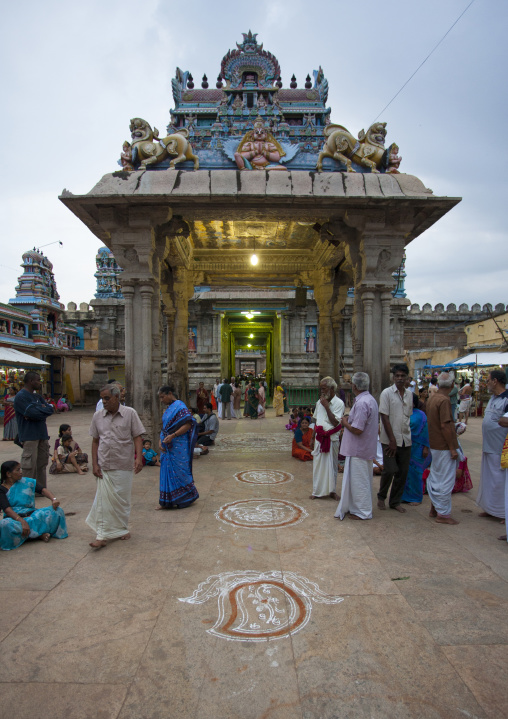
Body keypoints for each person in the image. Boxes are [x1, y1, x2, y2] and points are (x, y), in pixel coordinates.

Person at [87, 384, 145, 549]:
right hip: (104, 463)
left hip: (123, 463)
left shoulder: (130, 414)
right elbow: (95, 441)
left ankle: (121, 528)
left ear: (117, 398)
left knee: (122, 500)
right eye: (102, 398)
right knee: (103, 502)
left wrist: (138, 458)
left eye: (107, 398)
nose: (104, 402)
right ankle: (102, 535)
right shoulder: (97, 416)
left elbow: (137, 437)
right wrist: (94, 463)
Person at [335, 372, 378, 520]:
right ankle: (357, 508)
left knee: (360, 482)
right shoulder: (369, 399)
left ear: (354, 386)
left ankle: (363, 511)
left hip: (359, 449)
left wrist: (345, 422)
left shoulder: (362, 403)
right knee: (360, 480)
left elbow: (358, 429)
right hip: (362, 448)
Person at [0, 460, 68, 550]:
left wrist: (53, 499)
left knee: (57, 511)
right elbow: (7, 510)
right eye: (17, 470)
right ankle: (38, 535)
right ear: (8, 474)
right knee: (4, 525)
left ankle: (29, 536)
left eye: (20, 469)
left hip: (32, 515)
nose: (21, 472)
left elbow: (43, 490)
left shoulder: (26, 482)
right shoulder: (1, 489)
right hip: (15, 519)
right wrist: (22, 522)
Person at [377, 363, 413, 513]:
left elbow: (408, 415)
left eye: (402, 376)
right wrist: (392, 440)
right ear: (393, 377)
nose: (399, 378)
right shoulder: (386, 393)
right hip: (389, 440)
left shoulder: (409, 394)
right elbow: (384, 417)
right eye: (397, 376)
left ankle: (395, 501)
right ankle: (381, 496)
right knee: (390, 470)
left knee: (403, 472)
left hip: (406, 438)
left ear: (407, 378)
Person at [158, 384, 199, 509]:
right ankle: (167, 501)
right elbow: (165, 427)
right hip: (167, 445)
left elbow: (188, 425)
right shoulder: (168, 408)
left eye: (162, 397)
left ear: (170, 393)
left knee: (181, 471)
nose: (161, 400)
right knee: (166, 471)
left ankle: (187, 497)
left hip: (178, 445)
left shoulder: (180, 407)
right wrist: (160, 440)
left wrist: (173, 435)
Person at [477, 369, 508, 522]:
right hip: (489, 446)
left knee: (501, 481)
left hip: (501, 448)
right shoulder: (492, 398)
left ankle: (503, 513)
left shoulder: (507, 399)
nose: (487, 383)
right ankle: (490, 508)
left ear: (495, 381)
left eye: (488, 380)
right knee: (489, 479)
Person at [13, 371, 54, 490]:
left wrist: (38, 411)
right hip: (29, 436)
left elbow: (49, 410)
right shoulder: (21, 397)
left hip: (42, 434)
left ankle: (40, 489)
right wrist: (39, 410)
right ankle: (26, 490)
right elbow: (31, 413)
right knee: (29, 465)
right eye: (37, 380)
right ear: (31, 381)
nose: (39, 382)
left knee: (41, 464)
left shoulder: (37, 397)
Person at [310, 377, 345, 500]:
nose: (322, 391)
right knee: (318, 466)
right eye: (321, 389)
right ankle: (316, 491)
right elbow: (316, 421)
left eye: (324, 388)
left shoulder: (339, 403)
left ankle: (332, 491)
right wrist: (312, 437)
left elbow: (336, 423)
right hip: (319, 439)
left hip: (332, 438)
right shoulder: (319, 402)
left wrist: (326, 407)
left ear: (331, 388)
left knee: (332, 465)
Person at [401, 394, 431, 505]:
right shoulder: (403, 413)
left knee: (416, 473)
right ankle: (404, 496)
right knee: (405, 473)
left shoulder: (421, 415)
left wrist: (426, 447)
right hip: (405, 446)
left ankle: (416, 498)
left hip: (418, 447)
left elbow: (426, 432)